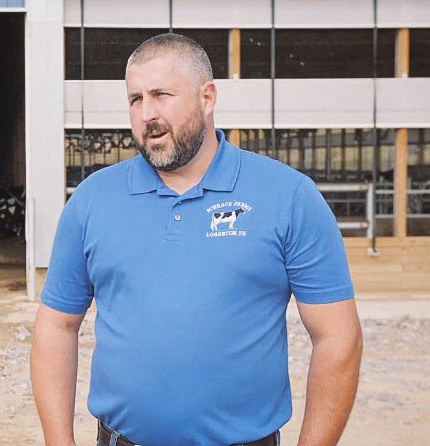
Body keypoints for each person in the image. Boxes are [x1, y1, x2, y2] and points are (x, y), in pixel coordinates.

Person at [31, 33, 363, 446]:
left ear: (207, 98)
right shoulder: (92, 200)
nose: (146, 114)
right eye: (135, 99)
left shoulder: (288, 196)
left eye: (161, 95)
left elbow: (337, 337)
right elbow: (57, 326)